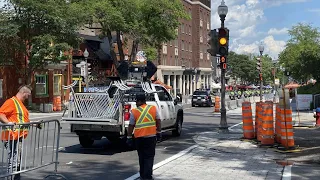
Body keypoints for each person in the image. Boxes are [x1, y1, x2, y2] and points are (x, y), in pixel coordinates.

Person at [0, 85, 33, 180]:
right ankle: (11, 178)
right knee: (13, 161)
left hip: (18, 136)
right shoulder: (11, 102)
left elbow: (22, 119)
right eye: (28, 95)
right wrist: (8, 123)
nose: (28, 97)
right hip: (12, 136)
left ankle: (15, 177)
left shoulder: (20, 103)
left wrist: (34, 124)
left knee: (16, 161)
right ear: (24, 93)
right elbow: (1, 113)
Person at [127, 93, 162, 180]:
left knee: (141, 157)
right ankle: (147, 176)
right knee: (149, 158)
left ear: (139, 101)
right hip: (151, 137)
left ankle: (143, 175)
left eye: (136, 101)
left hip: (139, 138)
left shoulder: (134, 111)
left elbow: (131, 125)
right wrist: (159, 132)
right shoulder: (153, 108)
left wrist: (129, 137)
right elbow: (158, 120)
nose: (135, 103)